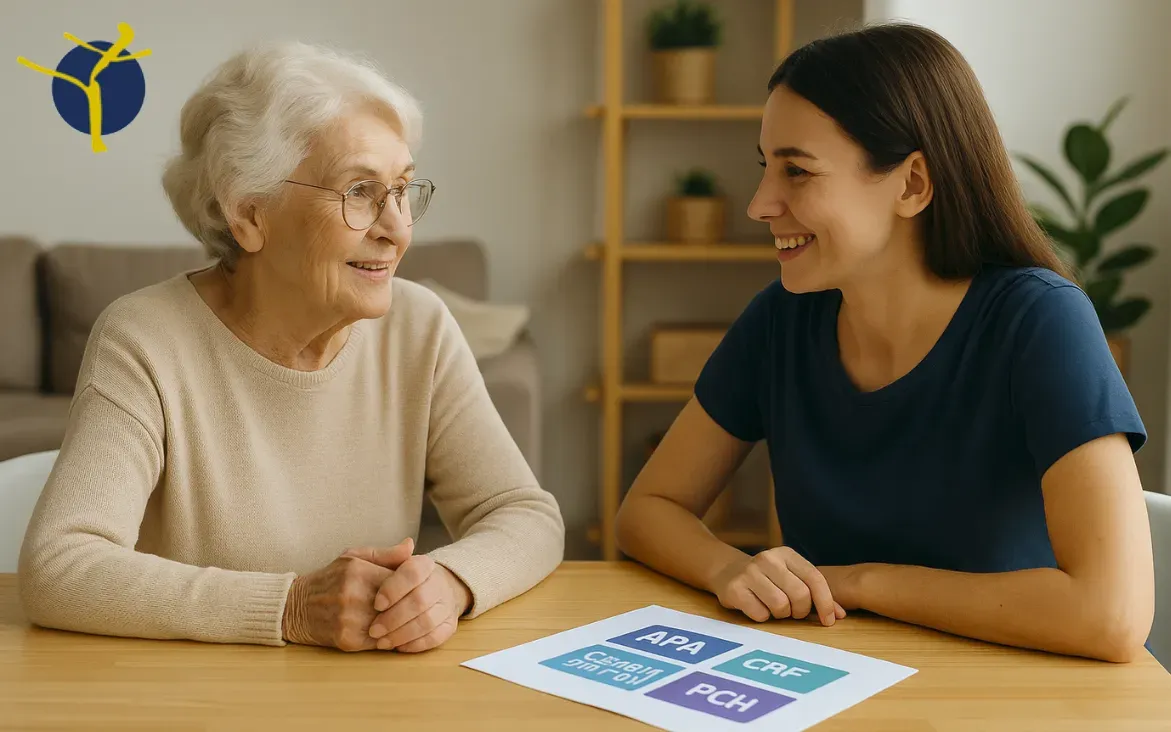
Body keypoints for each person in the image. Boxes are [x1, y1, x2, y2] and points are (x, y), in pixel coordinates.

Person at [615, 22, 1155, 663]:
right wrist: (728, 568)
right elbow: (648, 509)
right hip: (829, 676)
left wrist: (860, 582)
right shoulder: (782, 320)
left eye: (797, 171)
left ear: (912, 184)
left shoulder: (1040, 321)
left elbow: (1111, 616)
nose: (760, 204)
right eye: (767, 167)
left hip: (1012, 689)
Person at [18, 41, 564, 653]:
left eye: (402, 189)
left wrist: (451, 581)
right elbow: (60, 567)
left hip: (366, 690)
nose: (397, 229)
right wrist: (291, 608)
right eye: (360, 191)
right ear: (249, 215)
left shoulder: (420, 327)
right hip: (191, 691)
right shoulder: (144, 339)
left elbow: (525, 514)